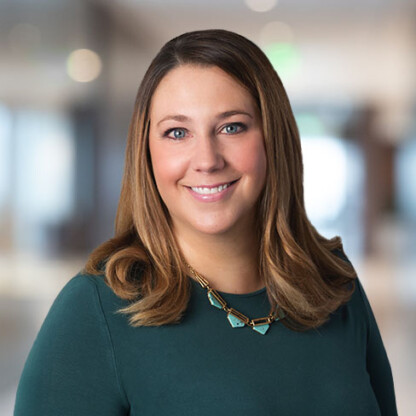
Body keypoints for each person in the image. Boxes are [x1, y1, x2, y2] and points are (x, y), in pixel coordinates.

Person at [14, 29, 397, 415]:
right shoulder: (96, 310)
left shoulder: (333, 282)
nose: (207, 159)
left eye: (231, 127)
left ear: (272, 138)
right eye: (177, 133)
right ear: (146, 154)